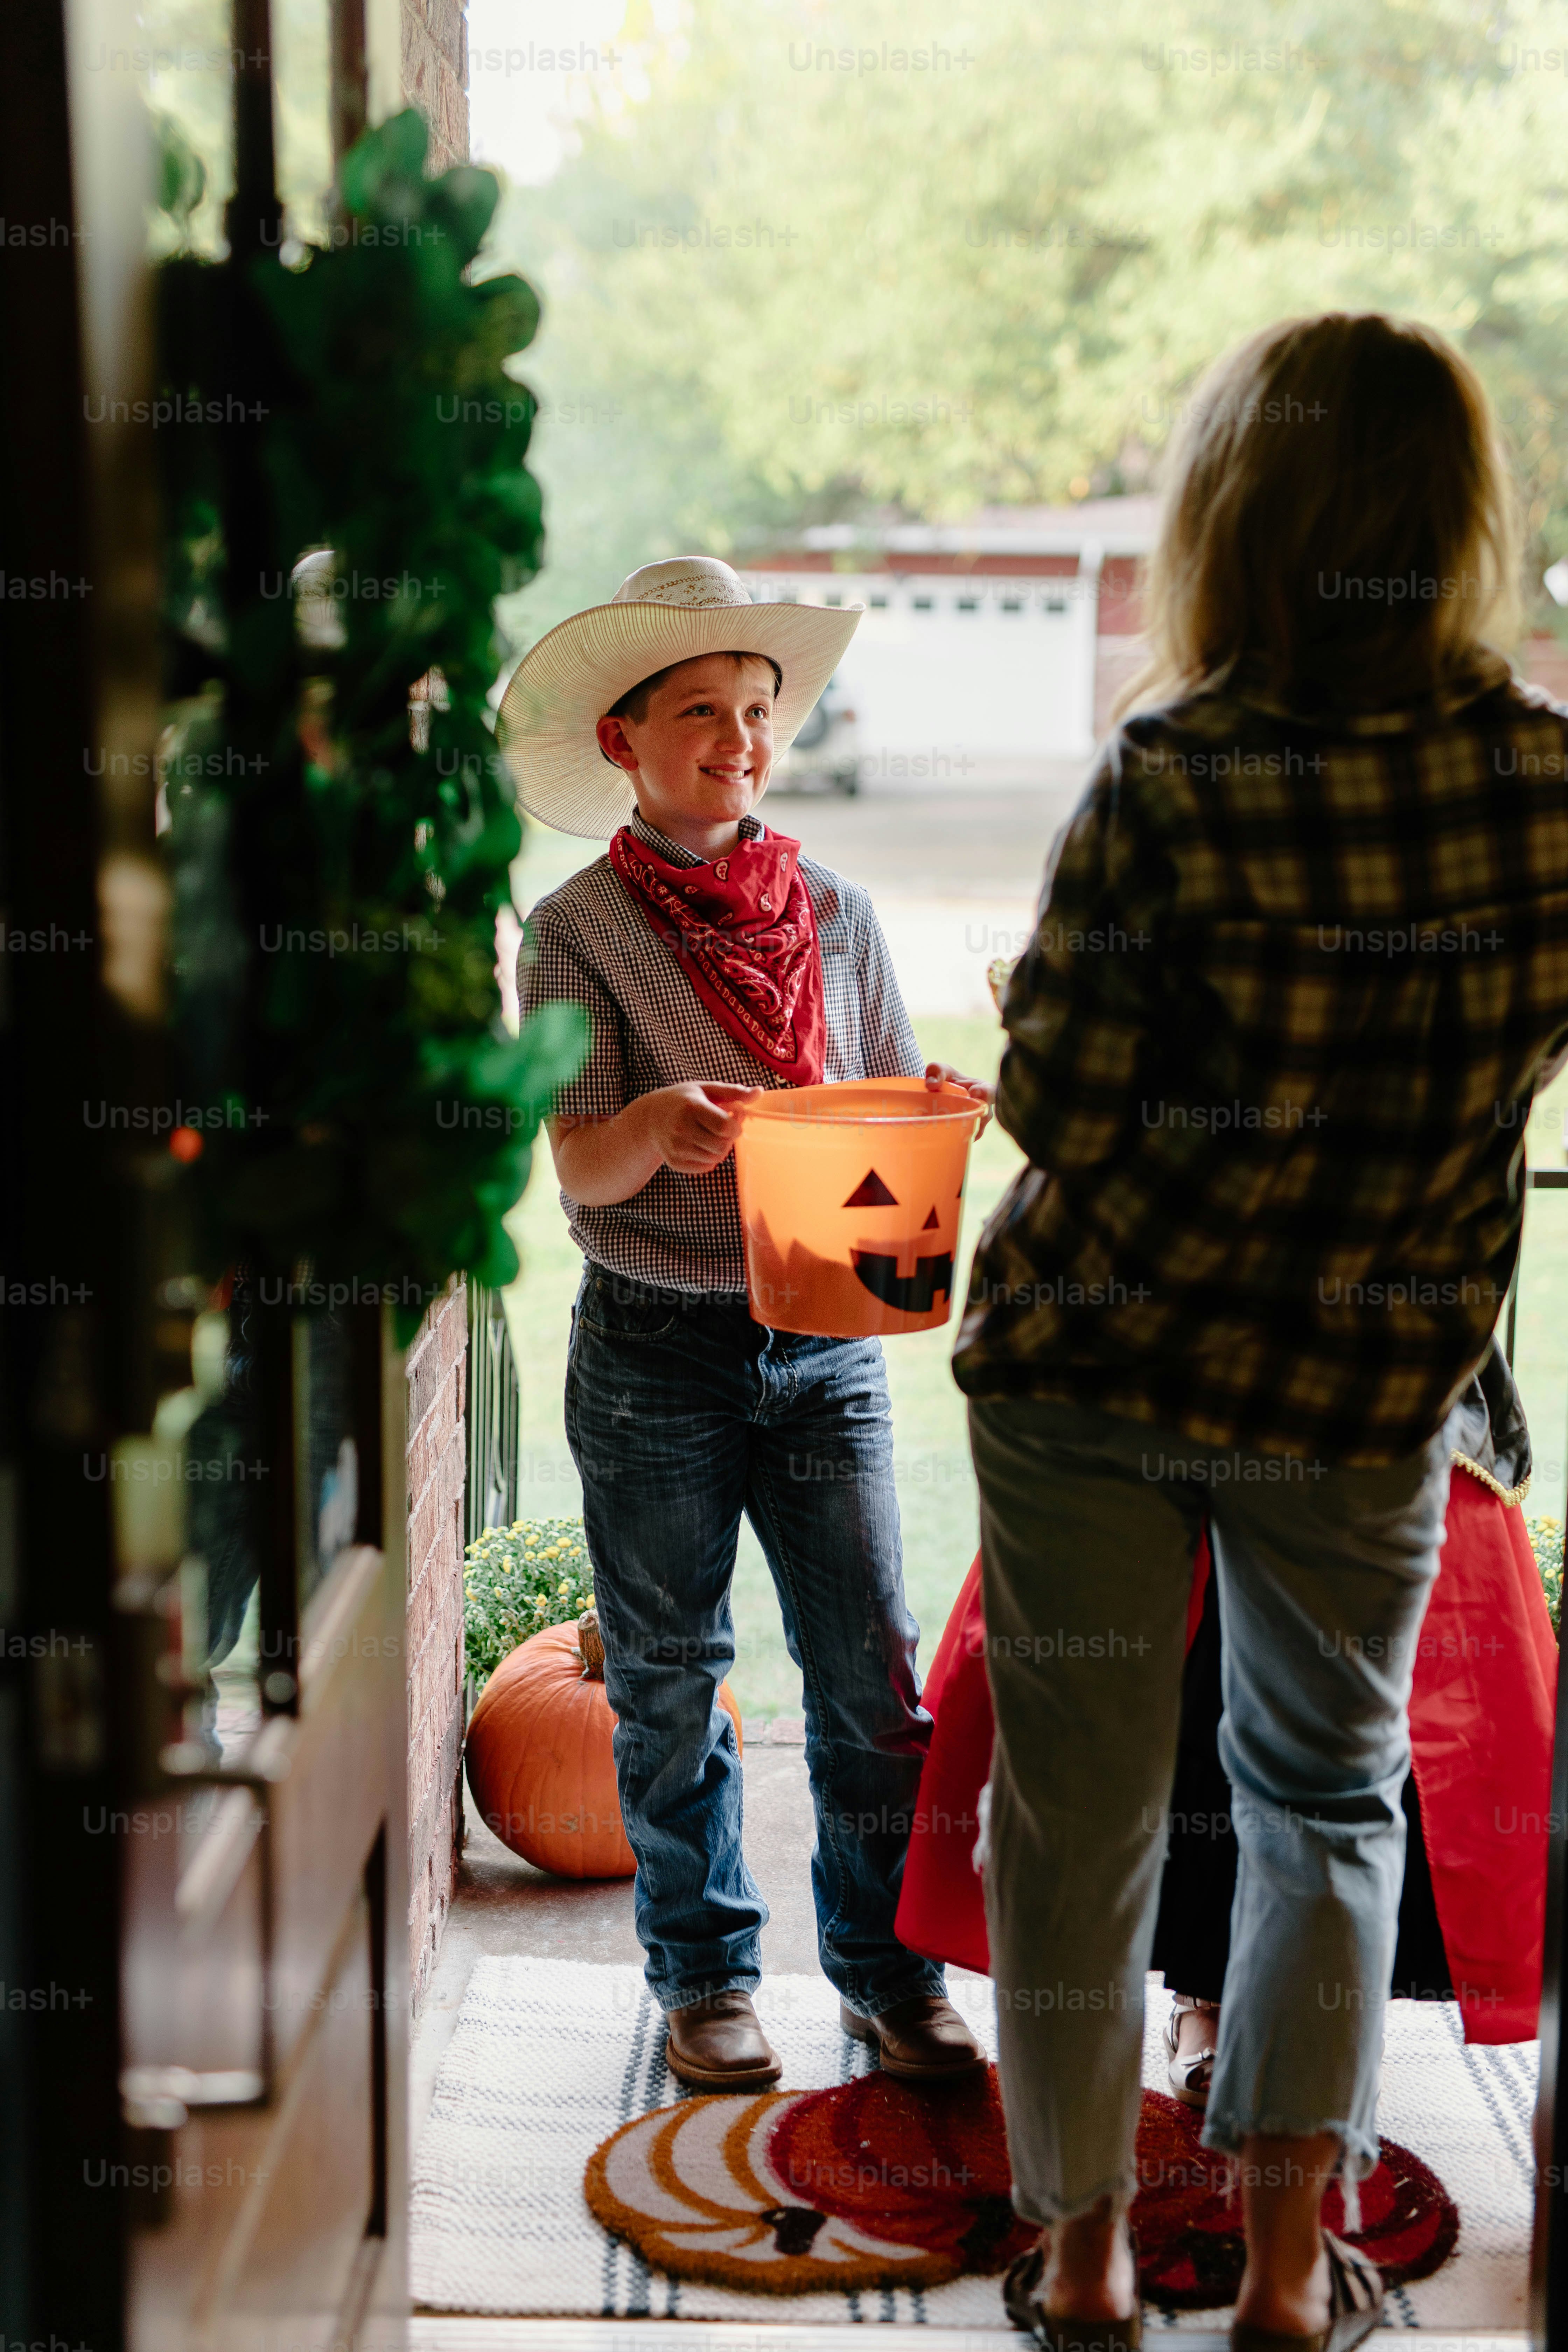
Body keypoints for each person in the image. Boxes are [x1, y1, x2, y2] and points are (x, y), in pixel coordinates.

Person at [948, 312, 1568, 2352]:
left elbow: (1048, 1103)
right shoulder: (1540, 790)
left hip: (1096, 1375)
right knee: (1323, 1803)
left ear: (1239, 517)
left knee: (1074, 1807)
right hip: (1356, 1386)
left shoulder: (1171, 777)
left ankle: (1081, 2256)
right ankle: (1290, 2279)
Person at [501, 555, 990, 2093]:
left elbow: (882, 1092)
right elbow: (578, 1162)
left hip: (826, 1344)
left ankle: (885, 1974)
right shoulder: (572, 931)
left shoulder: (834, 913)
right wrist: (651, 1119)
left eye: (758, 709)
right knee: (663, 1673)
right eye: (700, 711)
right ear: (623, 744)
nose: (738, 737)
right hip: (655, 1349)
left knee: (870, 1681)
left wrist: (929, 1115)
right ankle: (703, 1975)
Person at [895, 1339, 1557, 2092]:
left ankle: (1326, 2013)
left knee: (1367, 1729)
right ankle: (1203, 1995)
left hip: (1380, 1393)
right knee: (1196, 1683)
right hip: (1195, 1373)